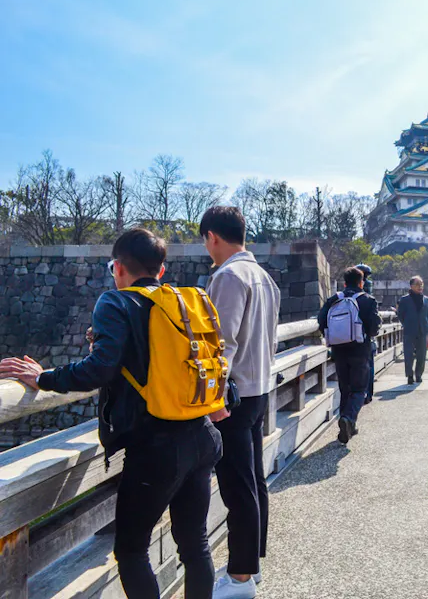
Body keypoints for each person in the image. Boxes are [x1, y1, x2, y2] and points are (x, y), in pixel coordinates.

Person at [0, 229, 223, 599]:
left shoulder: (116, 303)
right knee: (195, 544)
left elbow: (98, 370)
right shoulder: (179, 303)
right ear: (161, 271)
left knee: (132, 550)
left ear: (118, 268)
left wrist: (42, 378)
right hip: (201, 435)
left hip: (157, 448)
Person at [201, 207, 281, 599]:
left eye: (206, 241)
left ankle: (241, 577)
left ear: (212, 236)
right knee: (254, 480)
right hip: (259, 387)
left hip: (234, 394)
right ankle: (252, 564)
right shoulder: (263, 276)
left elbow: (221, 344)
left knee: (237, 486)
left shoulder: (228, 276)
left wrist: (212, 398)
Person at [319, 267, 381, 444]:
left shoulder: (334, 299)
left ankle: (346, 429)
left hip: (339, 351)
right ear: (362, 282)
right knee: (359, 389)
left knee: (345, 388)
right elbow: (374, 327)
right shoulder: (367, 300)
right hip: (360, 350)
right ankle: (348, 418)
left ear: (344, 283)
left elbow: (321, 321)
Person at [397, 276, 428, 385]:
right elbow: (400, 315)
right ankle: (409, 375)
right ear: (411, 286)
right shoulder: (404, 300)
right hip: (409, 330)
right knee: (408, 354)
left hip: (423, 330)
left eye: (421, 284)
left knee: (422, 354)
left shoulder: (427, 300)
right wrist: (406, 324)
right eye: (417, 284)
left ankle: (419, 374)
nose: (420, 286)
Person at [356, 263, 376, 404]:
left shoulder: (343, 294)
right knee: (368, 364)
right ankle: (368, 393)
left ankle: (356, 394)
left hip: (350, 333)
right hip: (366, 332)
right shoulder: (369, 291)